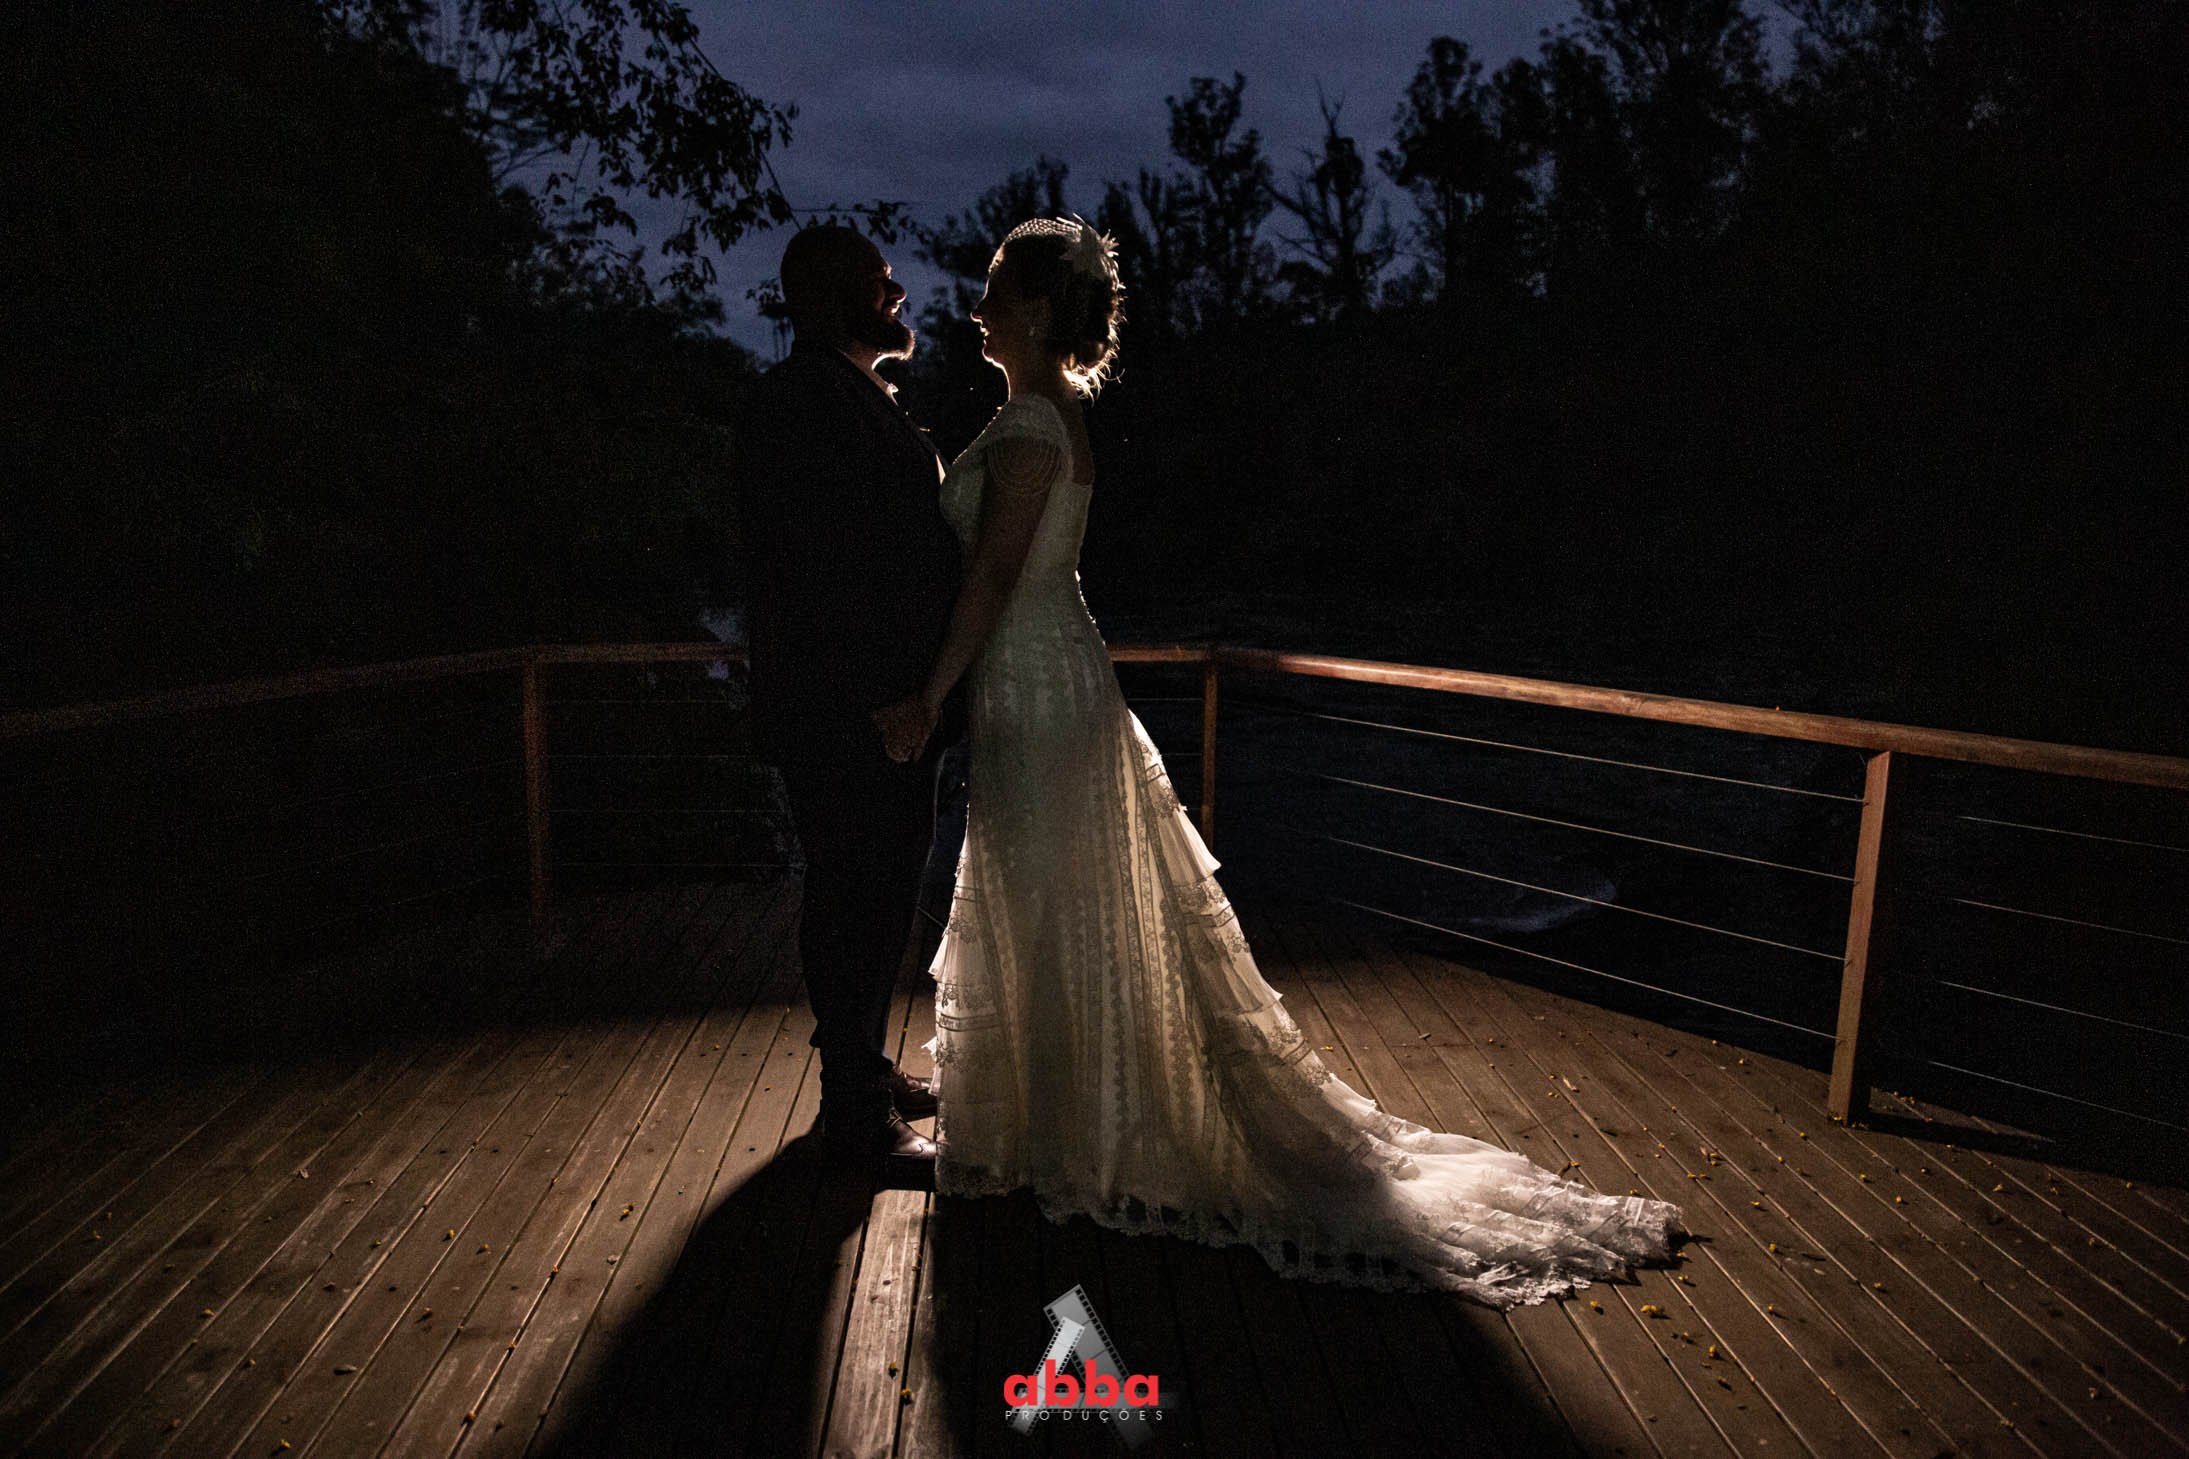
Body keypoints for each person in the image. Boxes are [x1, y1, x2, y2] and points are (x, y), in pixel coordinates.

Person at [871, 217, 1686, 1305]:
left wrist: (927, 694)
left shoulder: (1028, 423)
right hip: (1042, 677)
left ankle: (1068, 1134)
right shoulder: (1047, 414)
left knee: (1055, 896)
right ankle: (1054, 1124)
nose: (975, 307)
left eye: (991, 290)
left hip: (1036, 682)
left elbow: (989, 579)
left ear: (1032, 308)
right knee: (1053, 899)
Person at [734, 224, 959, 1163]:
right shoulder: (798, 402)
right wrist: (885, 700)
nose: (897, 295)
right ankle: (853, 1111)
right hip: (850, 712)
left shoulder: (854, 393)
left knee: (881, 893)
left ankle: (864, 1066)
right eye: (878, 283)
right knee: (853, 896)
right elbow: (820, 572)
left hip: (887, 710)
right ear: (830, 298)